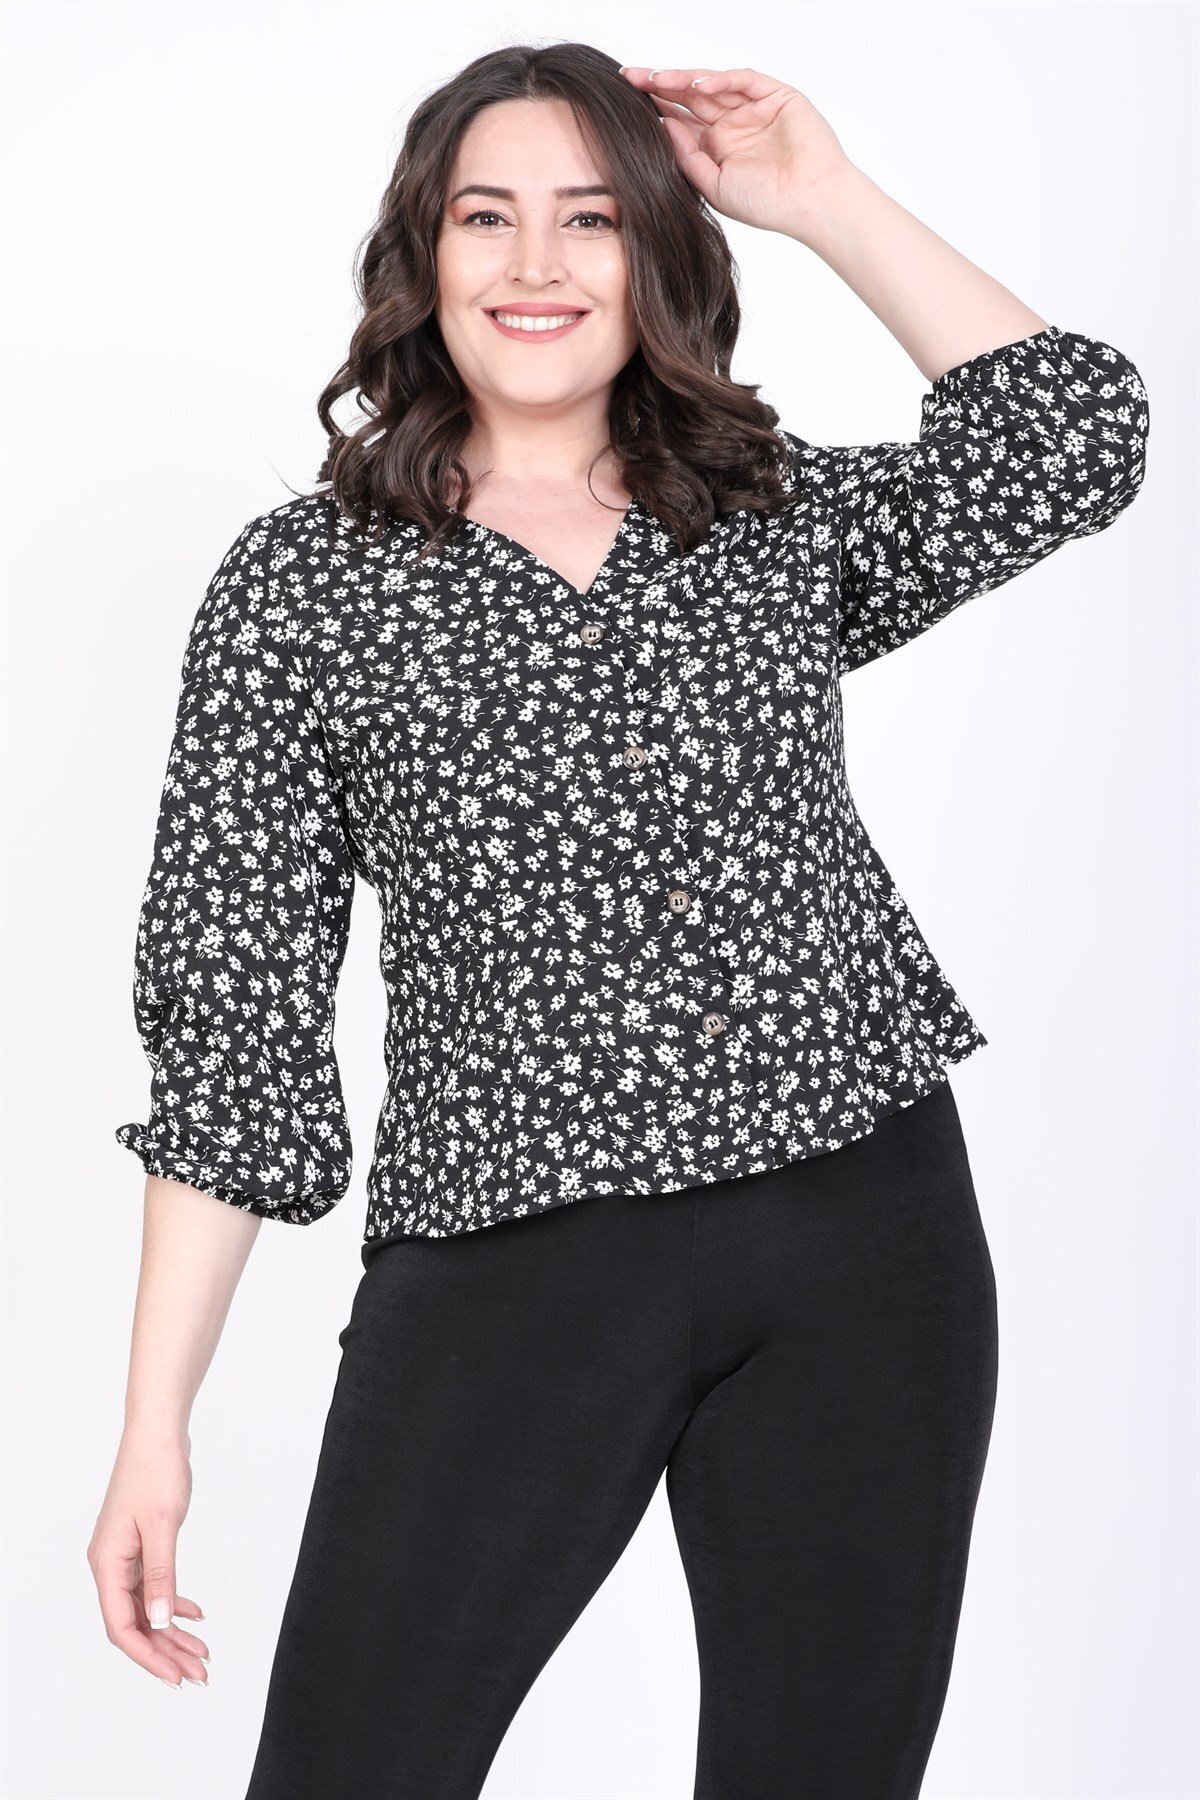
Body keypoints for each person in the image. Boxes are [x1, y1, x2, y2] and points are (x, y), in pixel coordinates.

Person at [88, 41, 1149, 1800]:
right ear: (421, 253)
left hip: (859, 1232)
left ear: (656, 248)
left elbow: (1070, 436)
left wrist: (820, 195)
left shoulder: (762, 519)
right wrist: (153, 1430)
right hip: (511, 1263)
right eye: (485, 217)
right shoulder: (304, 587)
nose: (536, 264)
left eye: (590, 218)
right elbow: (234, 1025)